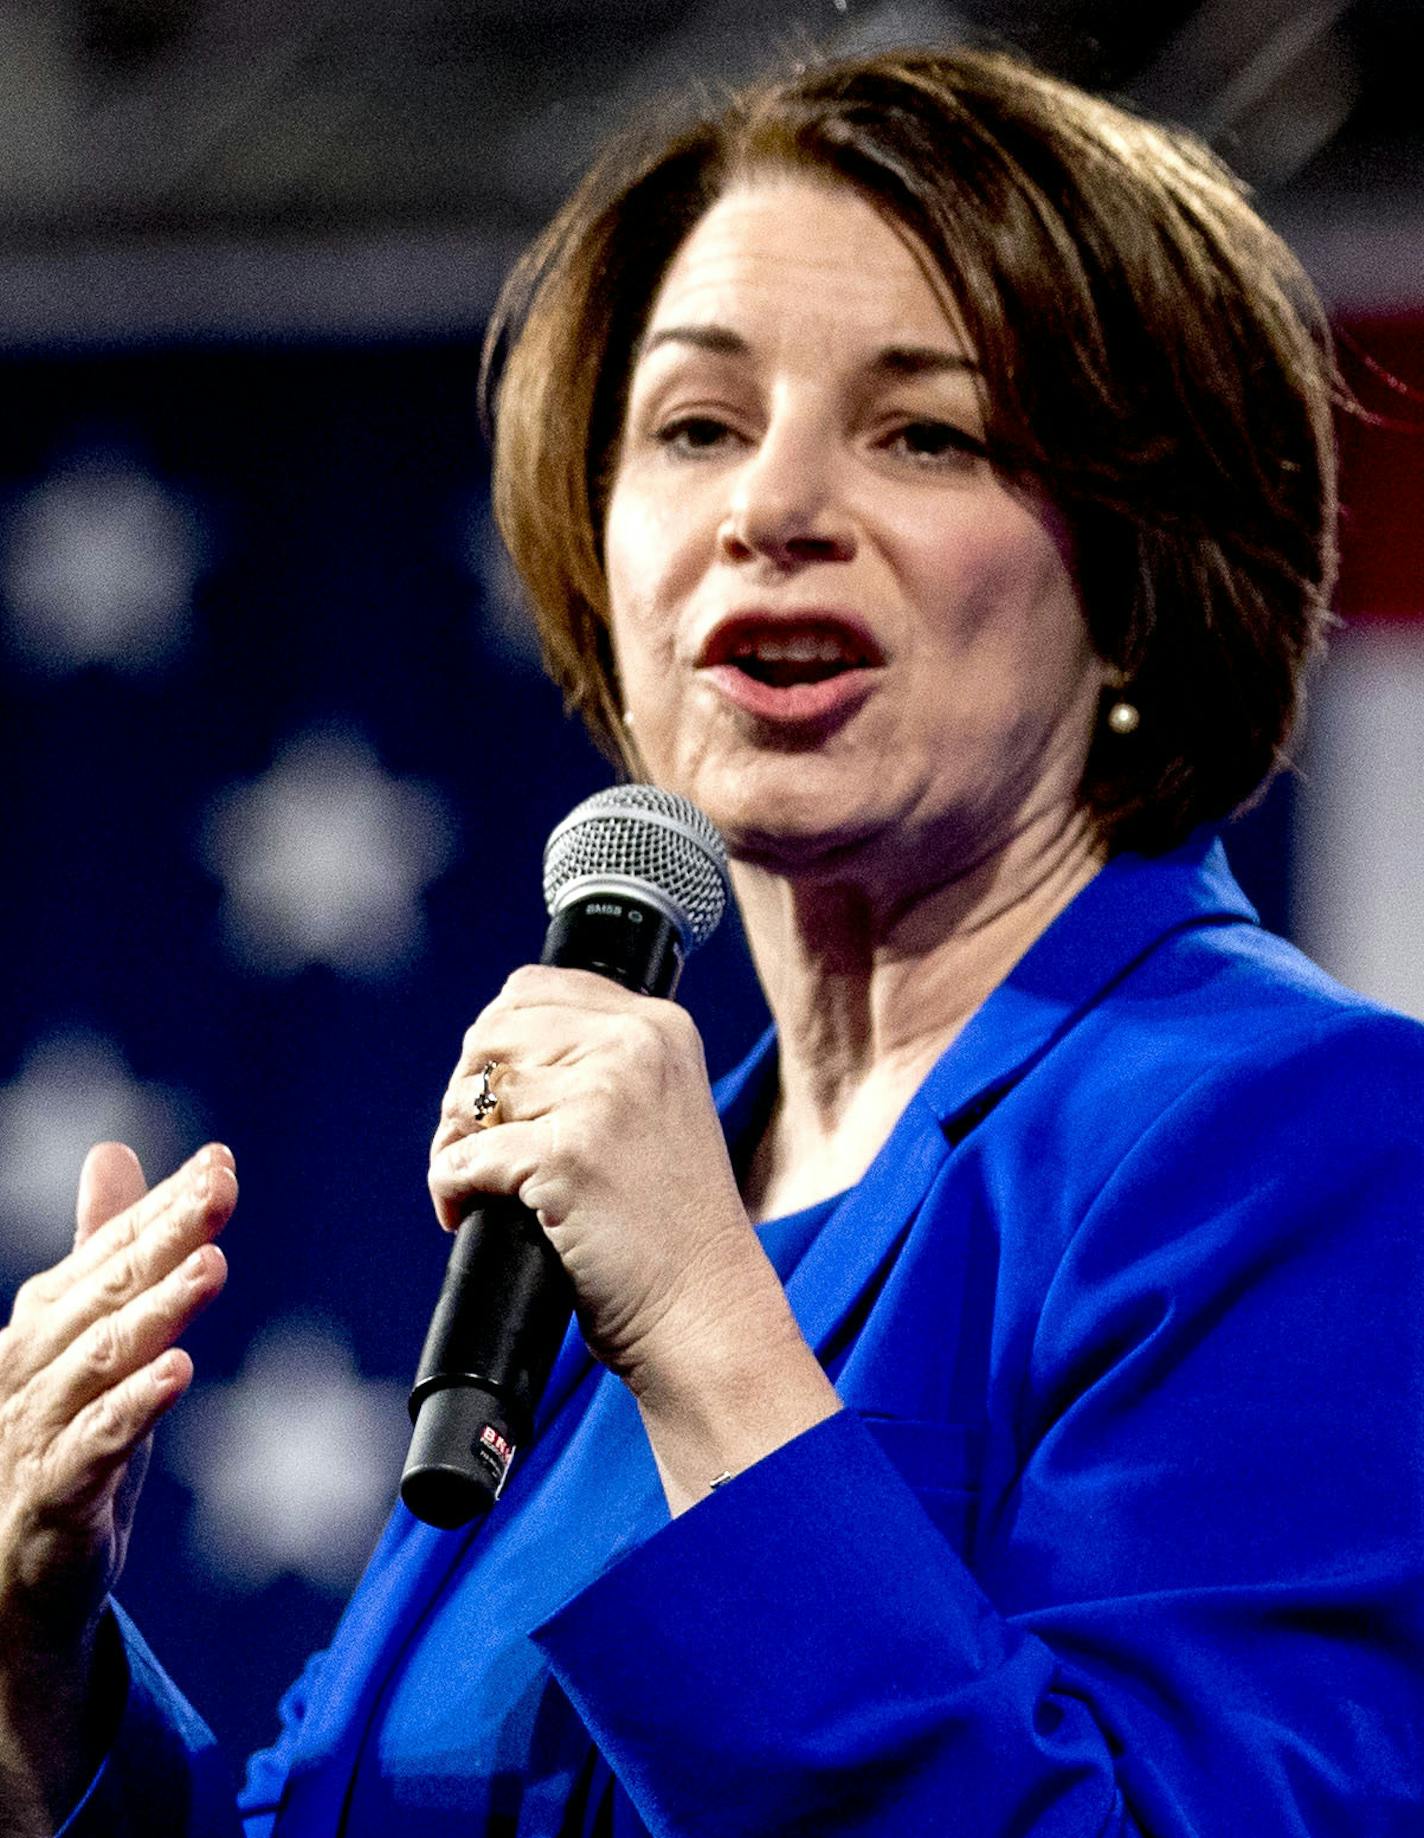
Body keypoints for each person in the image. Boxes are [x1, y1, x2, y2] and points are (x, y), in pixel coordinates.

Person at [2, 41, 1421, 1838]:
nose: (769, 509)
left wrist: (704, 1328)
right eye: (696, 426)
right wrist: (39, 1695)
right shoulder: (624, 1208)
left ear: (1143, 576)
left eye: (925, 429)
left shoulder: (1305, 1140)